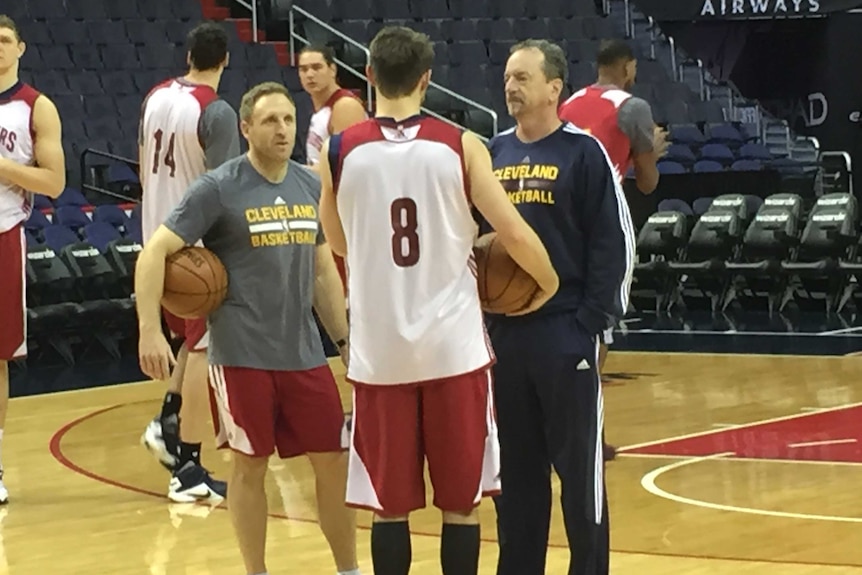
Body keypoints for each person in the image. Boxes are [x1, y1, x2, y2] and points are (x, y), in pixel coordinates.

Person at [318, 26, 560, 575]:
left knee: (389, 508)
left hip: (380, 354)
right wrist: (548, 284)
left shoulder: (337, 152)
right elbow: (514, 234)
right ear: (427, 80)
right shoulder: (461, 144)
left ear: (370, 76)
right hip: (453, 351)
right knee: (461, 505)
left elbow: (336, 242)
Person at [136, 81, 360, 575]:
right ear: (245, 127)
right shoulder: (219, 187)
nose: (282, 129)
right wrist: (150, 330)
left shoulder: (308, 184)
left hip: (303, 353)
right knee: (249, 467)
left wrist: (345, 342)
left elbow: (323, 271)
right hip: (240, 357)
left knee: (333, 463)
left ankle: (349, 569)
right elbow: (155, 251)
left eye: (288, 120)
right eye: (269, 121)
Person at [485, 40, 635, 575]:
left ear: (555, 88)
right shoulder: (492, 152)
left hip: (564, 331)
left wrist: (591, 323)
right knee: (517, 477)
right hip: (505, 336)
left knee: (579, 474)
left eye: (523, 77)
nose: (511, 86)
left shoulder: (584, 152)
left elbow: (615, 243)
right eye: (507, 76)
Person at [137, 21, 240, 503]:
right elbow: (225, 187)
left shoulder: (156, 96)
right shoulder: (216, 112)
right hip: (194, 246)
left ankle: (165, 425)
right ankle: (189, 468)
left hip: (156, 238)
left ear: (189, 56)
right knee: (202, 350)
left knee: (188, 343)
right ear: (224, 61)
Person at [558, 38, 668, 390]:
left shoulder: (569, 103)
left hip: (559, 214)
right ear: (629, 68)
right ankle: (585, 390)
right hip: (599, 218)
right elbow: (648, 184)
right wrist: (652, 152)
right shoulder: (634, 108)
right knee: (600, 311)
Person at [0, 14, 66, 505]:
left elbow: (55, 183)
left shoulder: (35, 107)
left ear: (20, 47)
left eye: (4, 40)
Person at [298, 44, 367, 287]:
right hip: (327, 203)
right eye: (303, 69)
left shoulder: (345, 106)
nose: (309, 74)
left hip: (345, 209)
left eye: (316, 67)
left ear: (333, 69)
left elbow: (346, 168)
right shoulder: (322, 109)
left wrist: (298, 174)